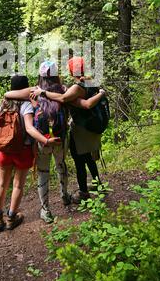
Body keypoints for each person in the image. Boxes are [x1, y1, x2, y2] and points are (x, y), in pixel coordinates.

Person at [32, 57, 106, 204]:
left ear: (72, 70)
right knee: (89, 159)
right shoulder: (92, 81)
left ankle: (83, 193)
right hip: (93, 127)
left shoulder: (75, 88)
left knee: (79, 160)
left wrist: (42, 93)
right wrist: (102, 93)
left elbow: (68, 100)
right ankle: (98, 186)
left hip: (82, 129)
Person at [0, 74, 61, 232]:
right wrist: (45, 141)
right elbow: (30, 129)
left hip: (3, 150)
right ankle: (11, 218)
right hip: (22, 151)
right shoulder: (27, 105)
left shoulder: (3, 103)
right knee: (18, 185)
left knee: (2, 183)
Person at [5, 62, 70, 223]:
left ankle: (45, 210)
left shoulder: (33, 91)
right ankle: (64, 195)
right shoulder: (64, 90)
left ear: (40, 76)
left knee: (43, 172)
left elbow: (8, 94)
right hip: (60, 138)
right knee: (61, 165)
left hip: (42, 140)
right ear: (56, 75)